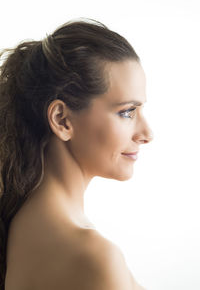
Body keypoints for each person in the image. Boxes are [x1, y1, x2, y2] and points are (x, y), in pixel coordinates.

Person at [0, 18, 153, 290]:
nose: (147, 133)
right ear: (62, 120)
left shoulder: (22, 224)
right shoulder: (93, 257)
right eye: (127, 112)